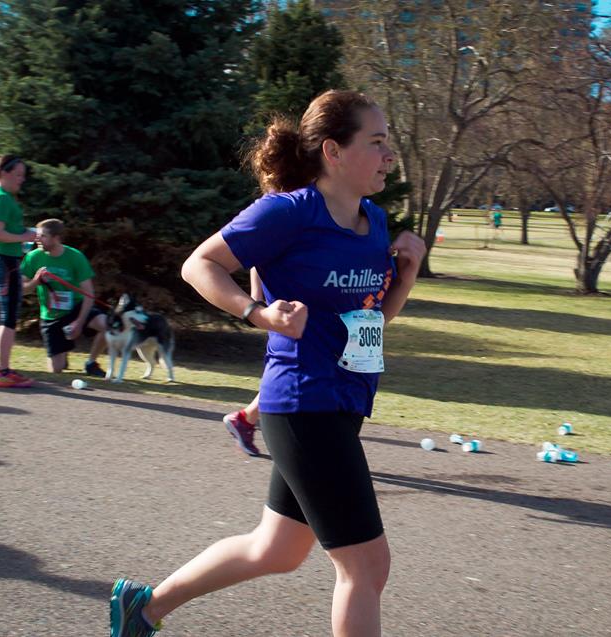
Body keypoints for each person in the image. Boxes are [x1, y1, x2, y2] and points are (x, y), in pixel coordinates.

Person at [110, 89, 426, 637]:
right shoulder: (288, 212)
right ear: (333, 150)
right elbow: (199, 265)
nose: (388, 156)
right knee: (366, 566)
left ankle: (145, 607)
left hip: (343, 400)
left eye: (387, 144)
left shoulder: (374, 223)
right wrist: (257, 312)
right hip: (305, 403)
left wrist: (408, 272)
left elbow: (376, 317)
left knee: (275, 550)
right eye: (376, 143)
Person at [0, 155, 37, 388]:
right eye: (18, 175)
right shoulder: (1, 197)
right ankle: (4, 371)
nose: (22, 180)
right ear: (4, 173)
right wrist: (26, 236)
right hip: (5, 262)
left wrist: (17, 235)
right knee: (8, 318)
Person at [20, 218, 107, 375]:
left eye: (43, 236)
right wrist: (35, 281)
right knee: (56, 370)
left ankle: (91, 363)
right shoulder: (33, 257)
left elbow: (89, 294)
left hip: (75, 307)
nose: (37, 239)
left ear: (56, 238)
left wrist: (79, 323)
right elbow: (22, 289)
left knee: (106, 325)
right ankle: (63, 352)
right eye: (37, 235)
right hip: (51, 315)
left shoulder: (75, 257)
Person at [222, 268, 263, 457]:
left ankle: (245, 419)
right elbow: (261, 252)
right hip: (290, 308)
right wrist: (255, 301)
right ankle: (245, 419)